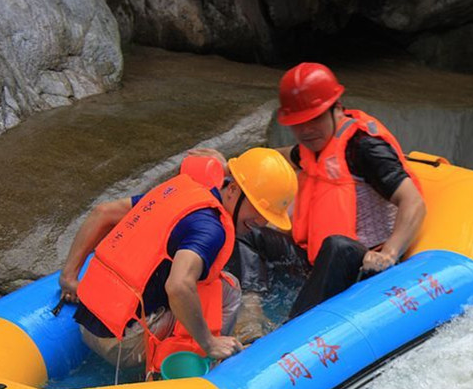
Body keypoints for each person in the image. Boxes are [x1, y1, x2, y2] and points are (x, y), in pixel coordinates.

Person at [58, 148, 297, 376]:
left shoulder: (179, 192)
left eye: (264, 217)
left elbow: (103, 212)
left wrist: (69, 277)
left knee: (201, 278)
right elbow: (178, 286)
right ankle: (193, 363)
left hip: (87, 318)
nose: (259, 222)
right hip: (122, 344)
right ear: (232, 189)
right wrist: (209, 342)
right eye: (256, 210)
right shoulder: (211, 229)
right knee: (226, 289)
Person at [273, 62, 427, 317]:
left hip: (364, 261)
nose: (306, 130)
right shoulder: (315, 145)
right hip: (318, 259)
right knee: (253, 236)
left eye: (314, 119)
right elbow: (284, 156)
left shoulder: (365, 148)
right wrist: (231, 164)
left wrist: (389, 253)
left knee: (338, 247)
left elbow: (414, 202)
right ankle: (249, 316)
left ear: (336, 108)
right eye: (298, 123)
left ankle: (291, 332)